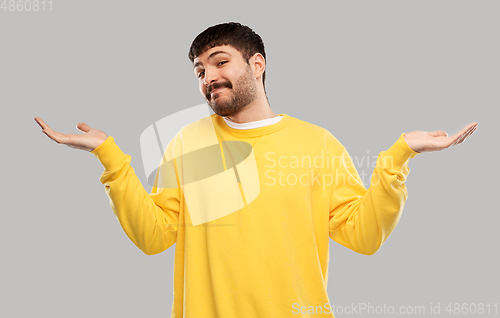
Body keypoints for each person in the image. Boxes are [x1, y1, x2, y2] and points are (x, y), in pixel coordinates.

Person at [35, 22, 477, 318]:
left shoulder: (317, 144)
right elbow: (154, 236)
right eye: (199, 70)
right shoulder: (188, 142)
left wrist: (398, 157)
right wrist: (110, 158)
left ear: (257, 64)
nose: (208, 76)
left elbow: (362, 237)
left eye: (220, 61)